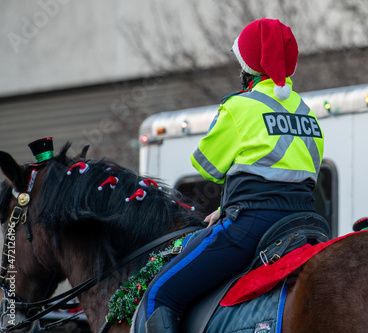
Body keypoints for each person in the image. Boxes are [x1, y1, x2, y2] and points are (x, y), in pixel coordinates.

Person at [132, 18, 324, 333]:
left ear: (248, 66)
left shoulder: (240, 106)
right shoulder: (307, 112)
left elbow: (207, 165)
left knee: (159, 294)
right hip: (305, 224)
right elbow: (291, 177)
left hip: (252, 228)